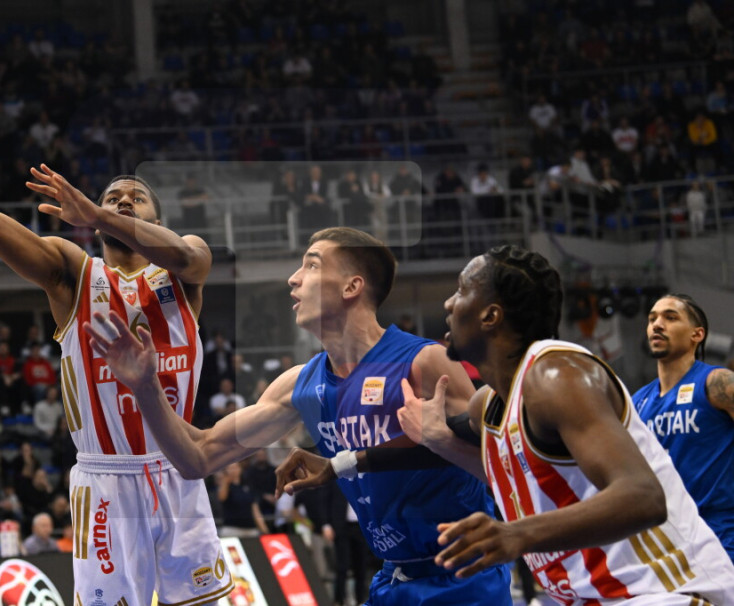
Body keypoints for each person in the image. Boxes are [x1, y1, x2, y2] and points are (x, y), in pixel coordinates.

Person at [0, 81, 231, 606]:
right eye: (112, 198)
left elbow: (189, 256)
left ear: (157, 220)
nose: (123, 201)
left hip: (180, 469)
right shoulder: (73, 271)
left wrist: (98, 214)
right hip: (106, 482)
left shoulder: (184, 265)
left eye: (136, 198)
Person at [85, 227, 511, 605]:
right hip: (393, 579)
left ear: (352, 287)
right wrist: (146, 387)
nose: (294, 278)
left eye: (311, 265)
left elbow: (504, 468)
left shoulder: (424, 362)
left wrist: (440, 442)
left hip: (464, 578)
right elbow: (198, 455)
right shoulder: (301, 385)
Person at [308, 245, 734, 602]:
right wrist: (338, 464)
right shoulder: (489, 403)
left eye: (461, 291)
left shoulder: (556, 375)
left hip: (670, 590)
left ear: (491, 316)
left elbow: (644, 497)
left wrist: (516, 534)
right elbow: (431, 446)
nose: (449, 304)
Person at [632, 293, 734, 561]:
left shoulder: (717, 383)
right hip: (666, 543)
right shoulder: (637, 402)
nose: (657, 324)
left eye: (670, 317)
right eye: (652, 319)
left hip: (720, 537)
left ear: (696, 335)